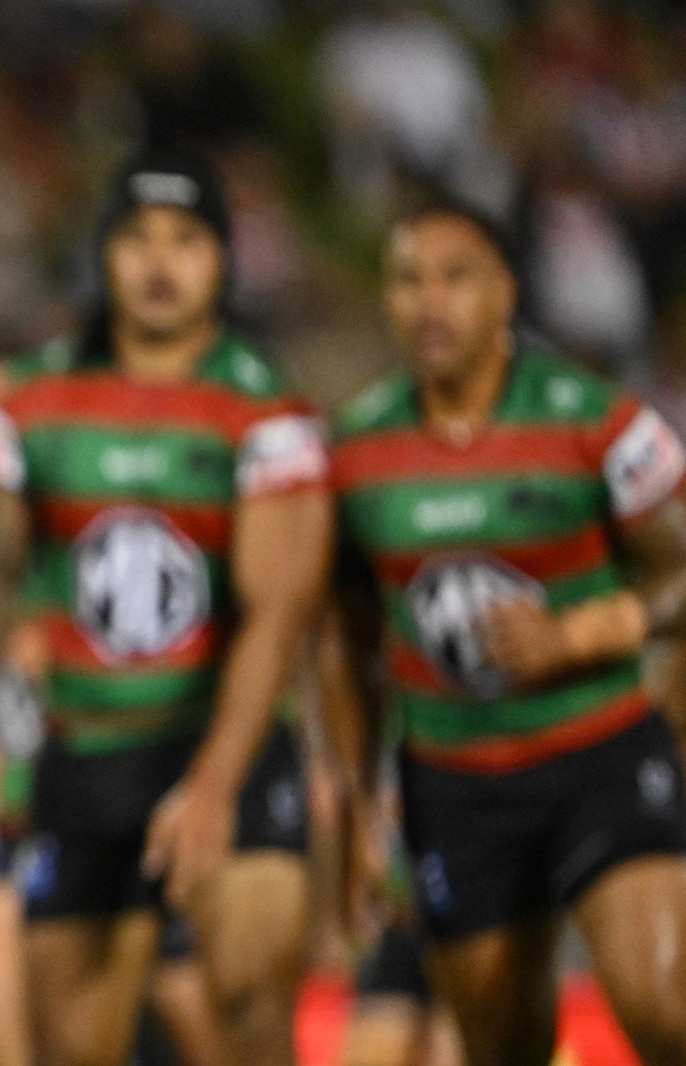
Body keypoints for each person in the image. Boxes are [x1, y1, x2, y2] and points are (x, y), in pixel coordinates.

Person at [0, 148, 332, 1066]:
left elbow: (277, 615)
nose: (161, 263)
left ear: (224, 261)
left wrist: (209, 786)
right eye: (138, 239)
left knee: (249, 1009)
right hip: (84, 757)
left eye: (188, 240)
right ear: (105, 255)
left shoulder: (264, 412)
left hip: (228, 749)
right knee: (69, 1048)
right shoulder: (35, 401)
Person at [324, 201, 686, 1066]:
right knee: (499, 1046)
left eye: (456, 277)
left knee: (664, 1009)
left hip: (597, 755)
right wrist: (360, 795)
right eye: (408, 280)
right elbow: (345, 637)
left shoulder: (594, 419)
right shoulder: (355, 453)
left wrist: (591, 630)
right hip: (455, 786)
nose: (430, 302)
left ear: (505, 292)